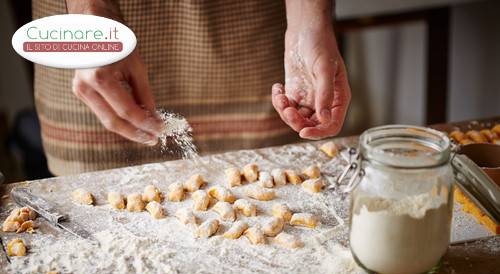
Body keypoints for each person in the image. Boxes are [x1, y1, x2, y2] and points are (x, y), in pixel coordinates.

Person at [34, 0, 350, 175]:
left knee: (266, 177)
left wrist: (307, 21)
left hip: (241, 24)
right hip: (87, 16)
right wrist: (90, 19)